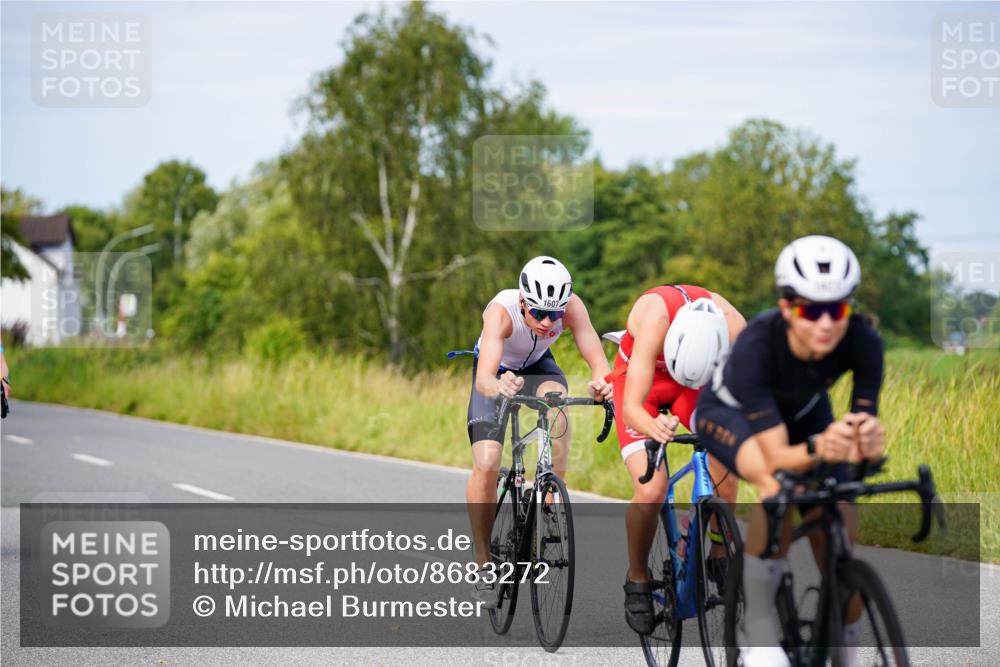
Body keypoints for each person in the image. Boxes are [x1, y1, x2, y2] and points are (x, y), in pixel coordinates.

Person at [696, 235, 885, 667]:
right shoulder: (757, 346)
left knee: (833, 515)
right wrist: (821, 447)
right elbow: (780, 456)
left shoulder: (864, 342)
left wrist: (866, 443)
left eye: (836, 309)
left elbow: (860, 425)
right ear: (786, 307)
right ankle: (758, 627)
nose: (825, 324)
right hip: (731, 414)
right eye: (810, 310)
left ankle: (846, 641)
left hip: (804, 410)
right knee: (774, 485)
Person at [462, 256, 612, 608]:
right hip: (496, 372)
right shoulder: (501, 313)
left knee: (557, 414)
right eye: (540, 314)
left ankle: (549, 500)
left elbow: (596, 356)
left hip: (538, 367)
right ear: (523, 303)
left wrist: (603, 383)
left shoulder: (571, 307)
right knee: (486, 463)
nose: (548, 323)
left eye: (555, 315)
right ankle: (483, 565)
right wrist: (499, 384)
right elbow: (484, 379)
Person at [608, 284, 745, 634]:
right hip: (643, 385)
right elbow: (632, 409)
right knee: (652, 488)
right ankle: (637, 575)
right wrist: (654, 427)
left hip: (694, 384)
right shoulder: (654, 318)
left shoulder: (733, 325)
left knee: (727, 450)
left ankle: (718, 550)